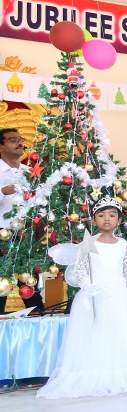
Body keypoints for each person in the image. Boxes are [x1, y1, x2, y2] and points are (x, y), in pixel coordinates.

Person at [38, 196, 127, 398]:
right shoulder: (88, 243)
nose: (107, 219)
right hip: (94, 294)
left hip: (117, 296)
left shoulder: (123, 245)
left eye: (112, 215)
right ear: (94, 219)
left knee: (118, 333)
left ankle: (119, 371)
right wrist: (87, 285)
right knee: (95, 333)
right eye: (101, 215)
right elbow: (81, 269)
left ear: (119, 219)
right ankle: (94, 371)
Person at [0, 128, 41, 314]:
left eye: (21, 139)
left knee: (30, 285)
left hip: (26, 234)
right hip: (2, 233)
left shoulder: (30, 172)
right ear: (1, 147)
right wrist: (2, 191)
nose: (19, 143)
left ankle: (39, 322)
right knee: (1, 286)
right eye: (12, 139)